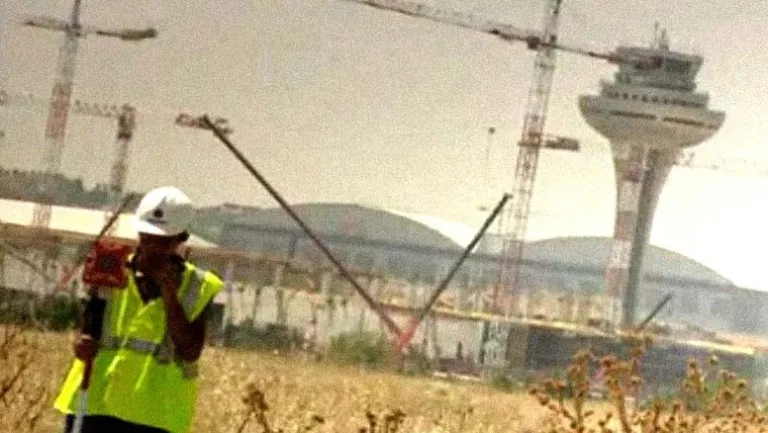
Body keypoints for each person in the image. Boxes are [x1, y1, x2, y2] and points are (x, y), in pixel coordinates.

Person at [53, 186, 224, 433]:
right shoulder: (109, 268)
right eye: (147, 238)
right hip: (95, 402)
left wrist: (168, 290)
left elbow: (189, 351)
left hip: (156, 415)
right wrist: (81, 345)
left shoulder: (199, 286)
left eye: (162, 242)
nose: (152, 247)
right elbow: (87, 329)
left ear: (182, 238)